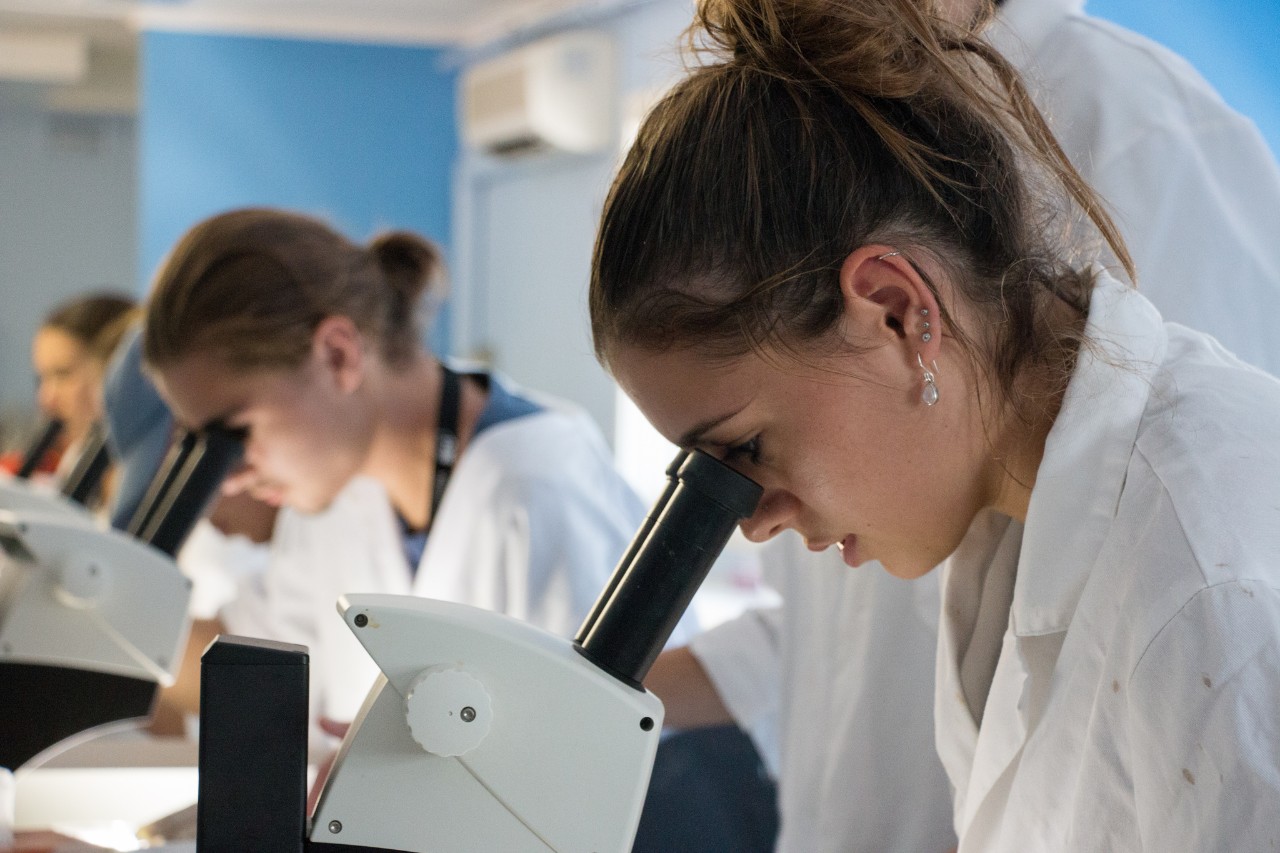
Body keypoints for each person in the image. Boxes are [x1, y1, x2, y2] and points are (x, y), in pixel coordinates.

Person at [589, 1, 1280, 850]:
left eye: (746, 449)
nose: (752, 521)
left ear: (893, 310)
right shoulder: (997, 523)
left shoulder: (1216, 579)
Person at [139, 207, 656, 744]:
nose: (230, 479)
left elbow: (603, 746)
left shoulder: (536, 481)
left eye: (237, 433)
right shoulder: (339, 487)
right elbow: (258, 655)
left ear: (337, 355)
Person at [2, 291, 136, 485]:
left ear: (116, 370)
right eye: (41, 379)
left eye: (63, 374)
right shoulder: (68, 464)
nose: (46, 399)